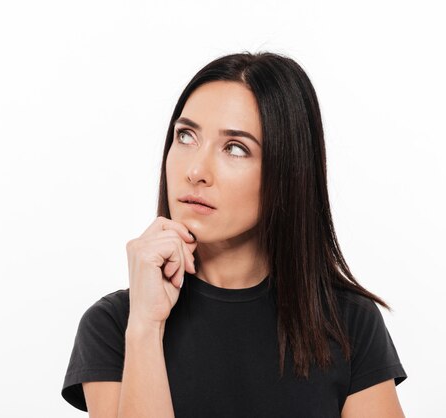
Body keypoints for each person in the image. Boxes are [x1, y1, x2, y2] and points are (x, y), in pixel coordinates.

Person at [60, 51, 408, 417]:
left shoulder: (347, 322)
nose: (195, 170)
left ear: (287, 173)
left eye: (236, 148)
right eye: (186, 135)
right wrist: (146, 328)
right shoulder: (117, 324)